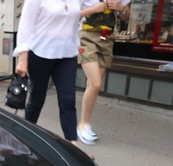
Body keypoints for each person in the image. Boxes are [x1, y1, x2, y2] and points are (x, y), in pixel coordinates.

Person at [14, 0, 107, 145]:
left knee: (68, 101)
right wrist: (23, 57)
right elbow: (26, 24)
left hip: (67, 54)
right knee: (37, 99)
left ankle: (73, 146)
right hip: (40, 52)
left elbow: (92, 4)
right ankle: (25, 138)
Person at [78, 0, 131, 145]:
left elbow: (126, 16)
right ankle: (83, 124)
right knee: (95, 84)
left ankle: (84, 123)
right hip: (86, 36)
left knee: (93, 85)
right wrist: (94, 9)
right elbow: (71, 15)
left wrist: (121, 8)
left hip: (107, 39)